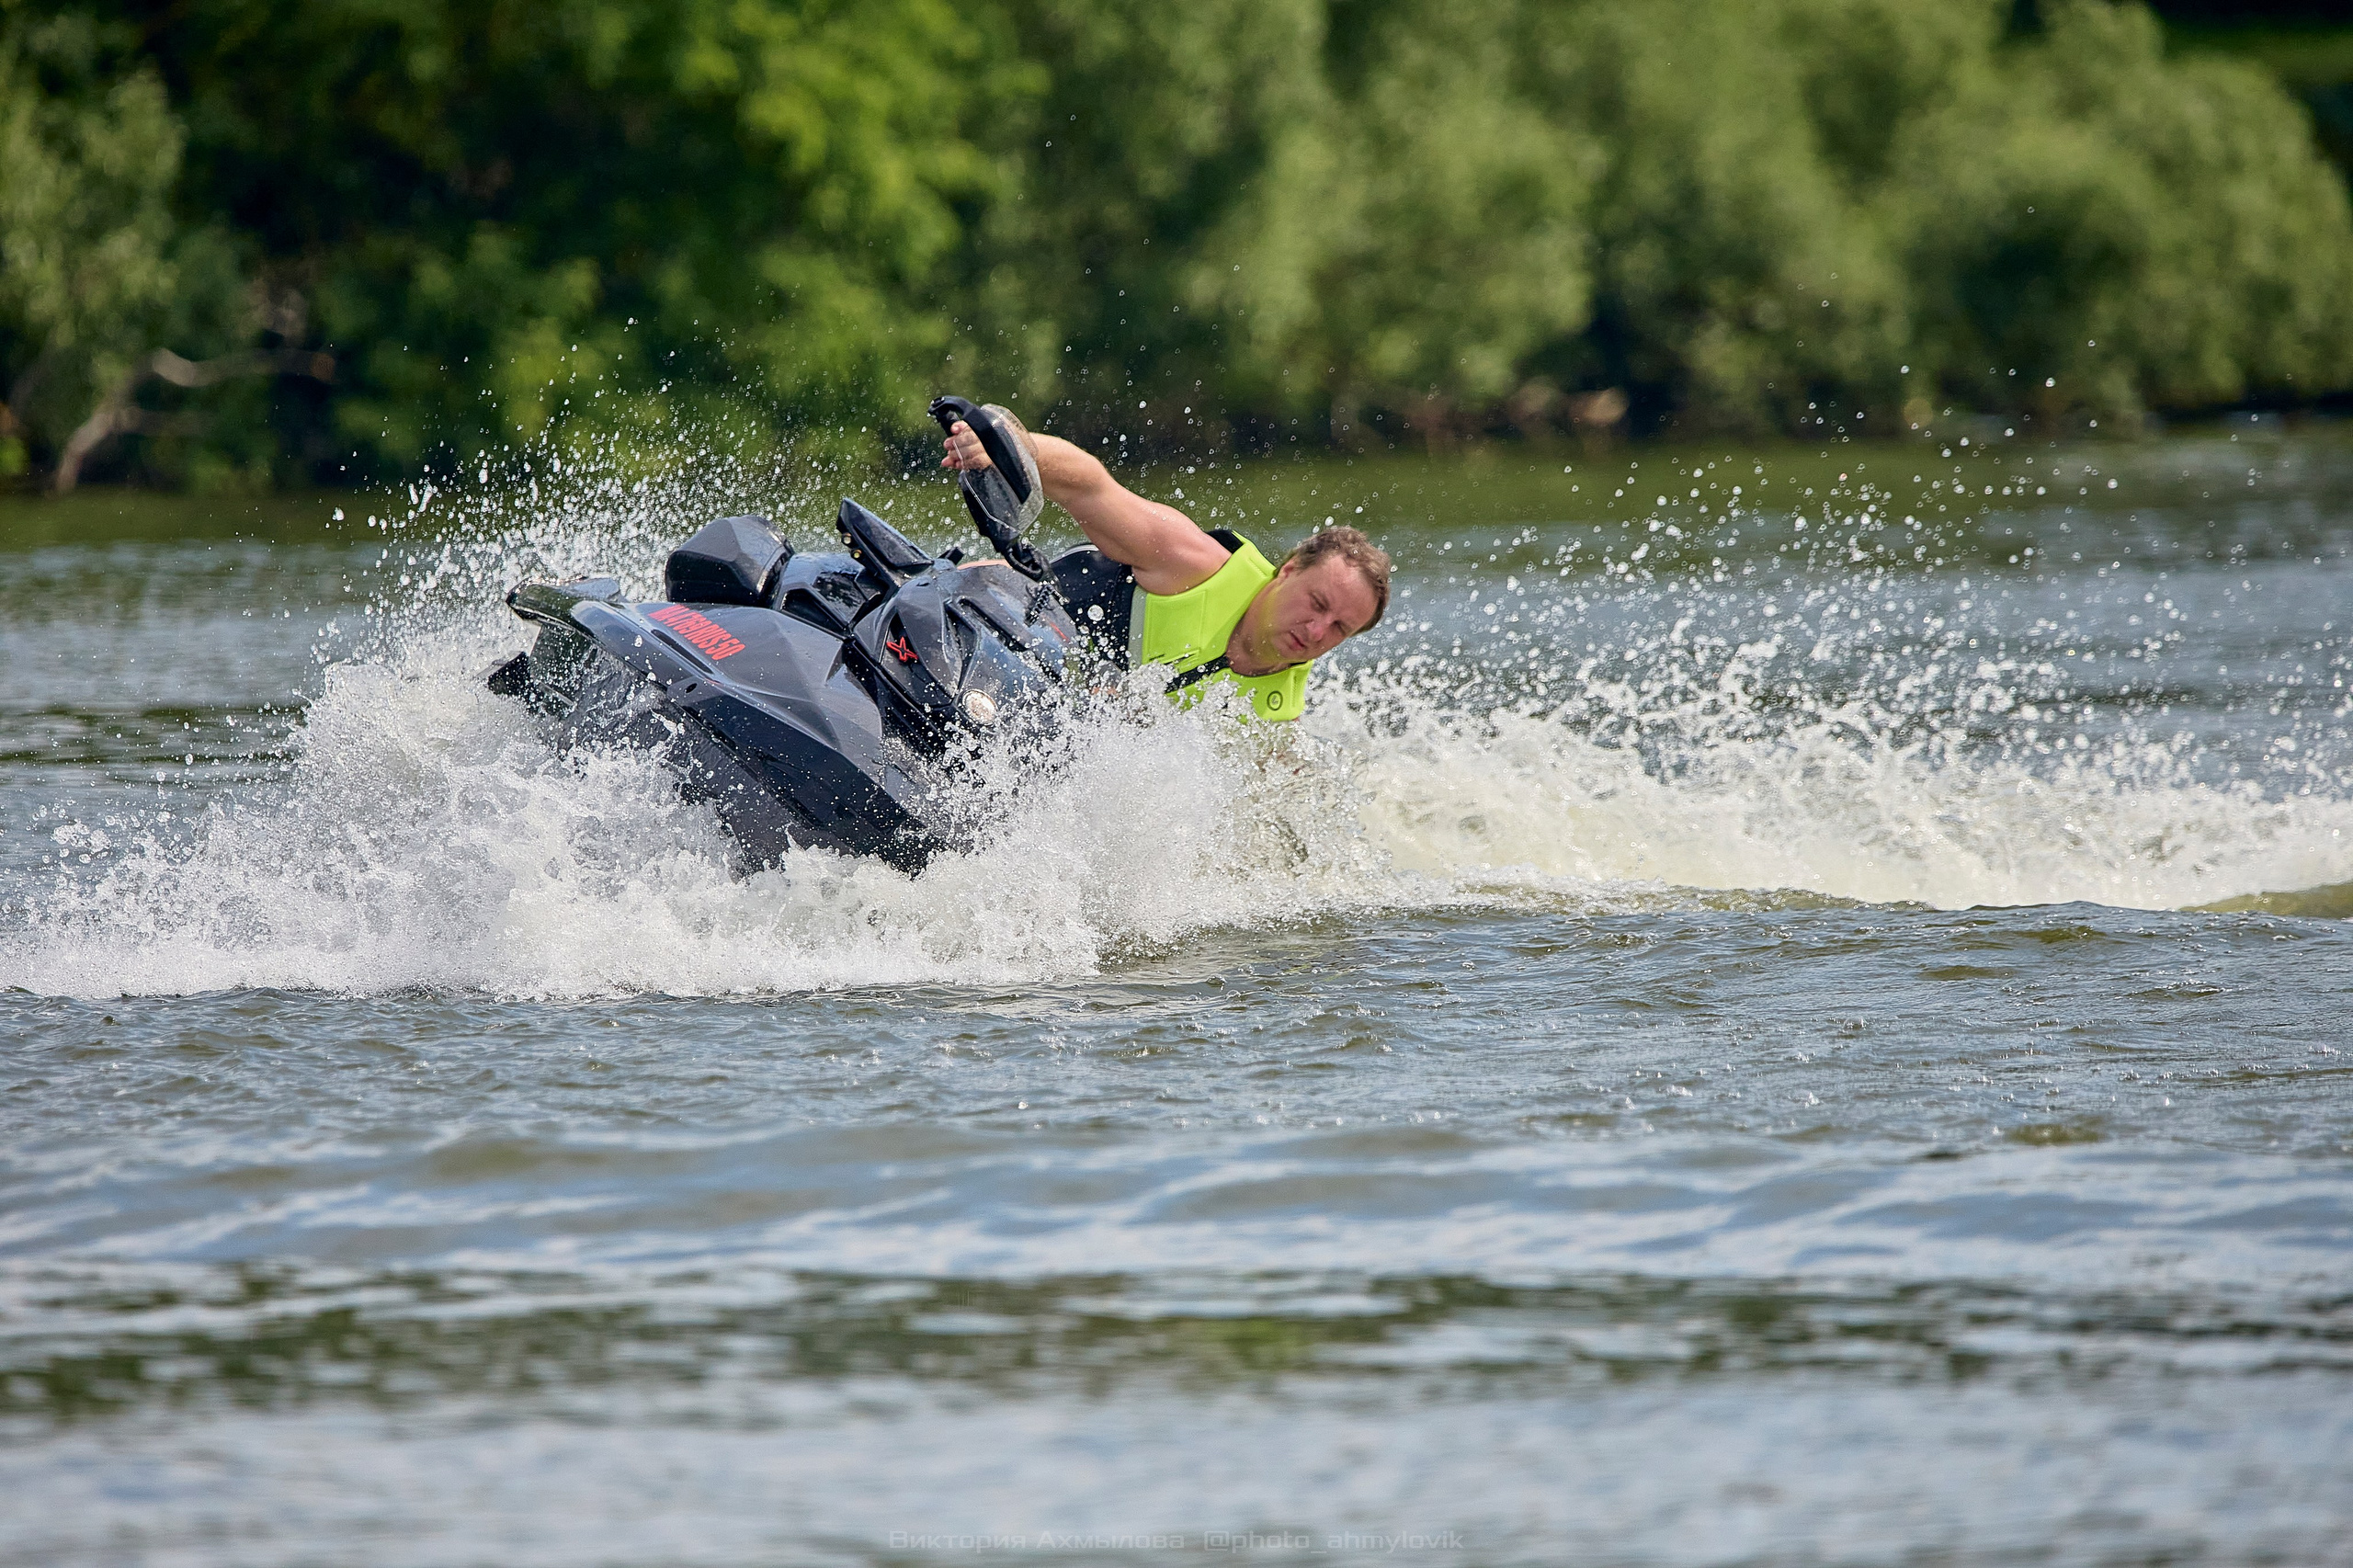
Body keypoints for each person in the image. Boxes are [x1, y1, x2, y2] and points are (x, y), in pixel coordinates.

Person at [941, 411, 1390, 721]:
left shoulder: (1276, 711)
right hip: (988, 616)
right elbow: (1090, 488)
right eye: (1317, 603)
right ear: (1288, 570)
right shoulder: (1193, 564)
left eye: (1338, 629)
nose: (1316, 632)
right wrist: (1005, 447)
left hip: (1043, 719)